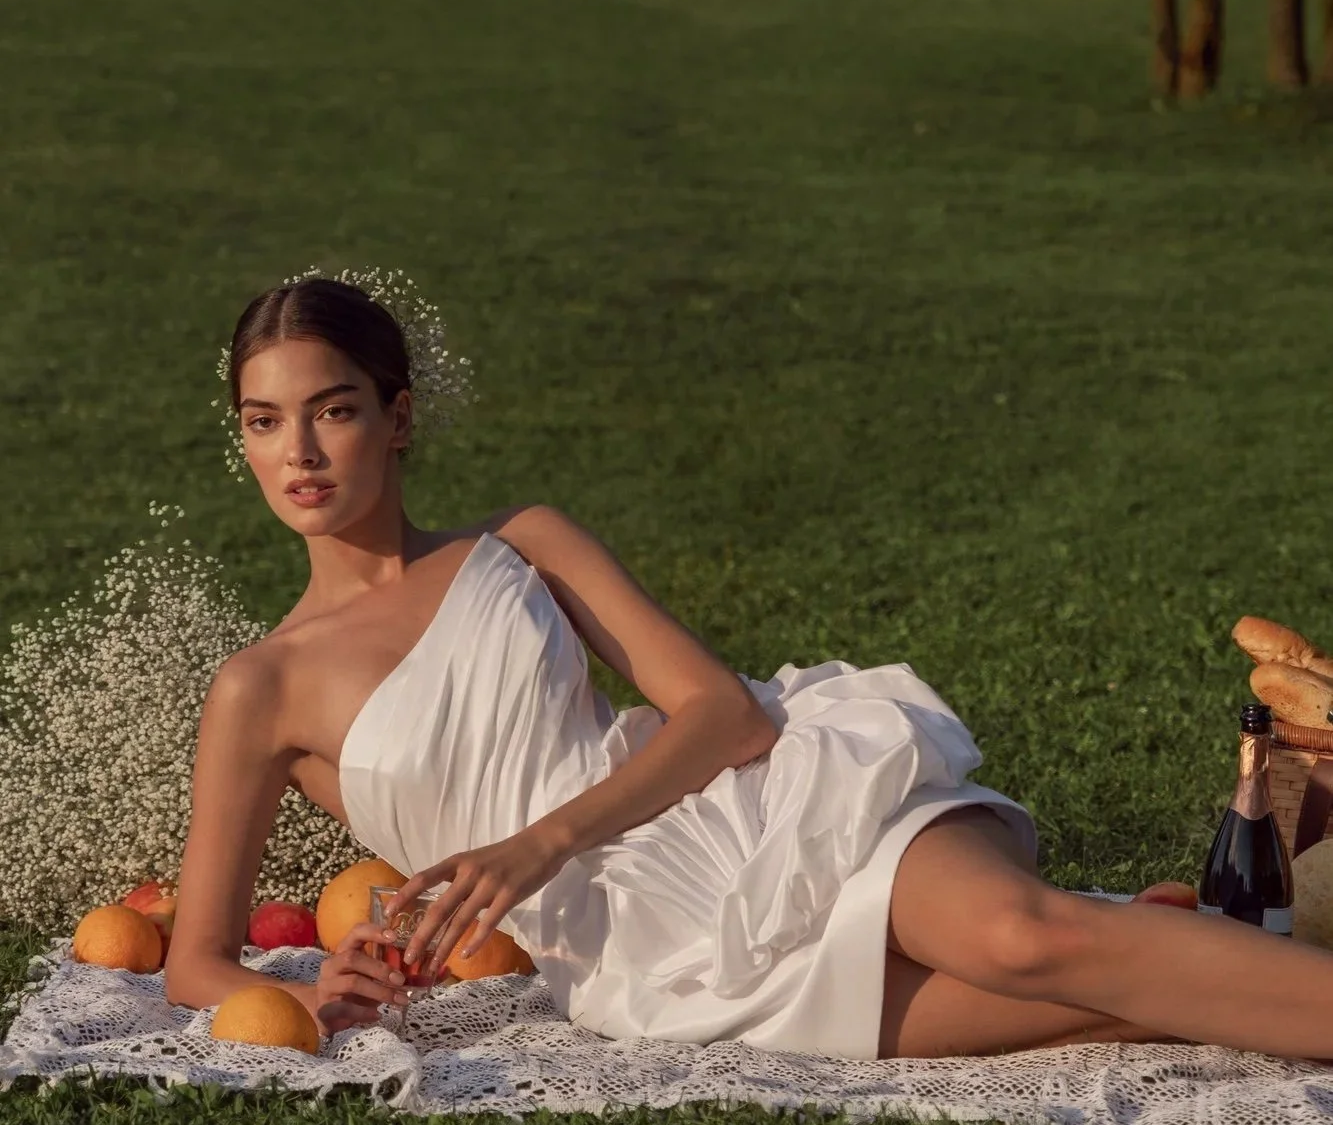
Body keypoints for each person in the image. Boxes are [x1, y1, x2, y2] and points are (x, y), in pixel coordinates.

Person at [166, 272, 1333, 1064]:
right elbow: (195, 961)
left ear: (398, 415)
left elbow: (723, 714)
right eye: (265, 422)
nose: (301, 451)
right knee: (1096, 1010)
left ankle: (1140, 932)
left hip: (752, 806)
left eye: (333, 410)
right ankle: (1175, 937)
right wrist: (318, 993)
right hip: (640, 952)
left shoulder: (519, 543)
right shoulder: (257, 688)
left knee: (1023, 941)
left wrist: (536, 843)